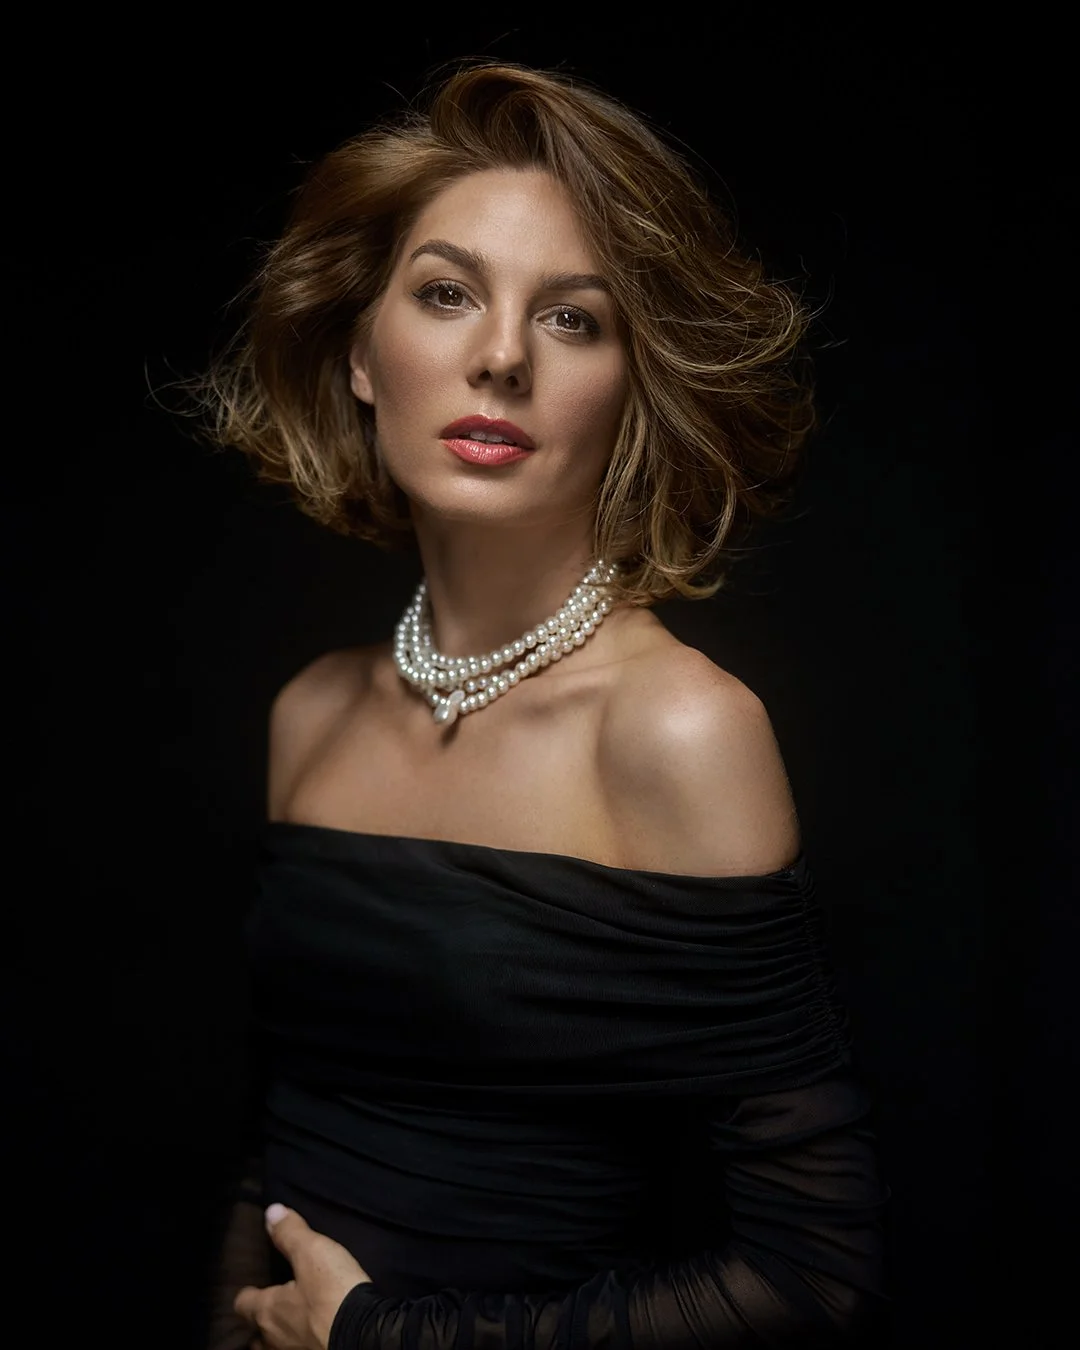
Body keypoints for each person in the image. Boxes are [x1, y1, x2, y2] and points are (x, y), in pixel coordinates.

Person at [199, 61, 890, 1350]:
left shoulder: (679, 731)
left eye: (573, 319)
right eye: (447, 295)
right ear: (361, 352)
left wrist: (380, 1339)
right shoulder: (311, 714)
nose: (500, 356)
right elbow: (276, 1159)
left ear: (633, 381)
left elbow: (813, 1275)